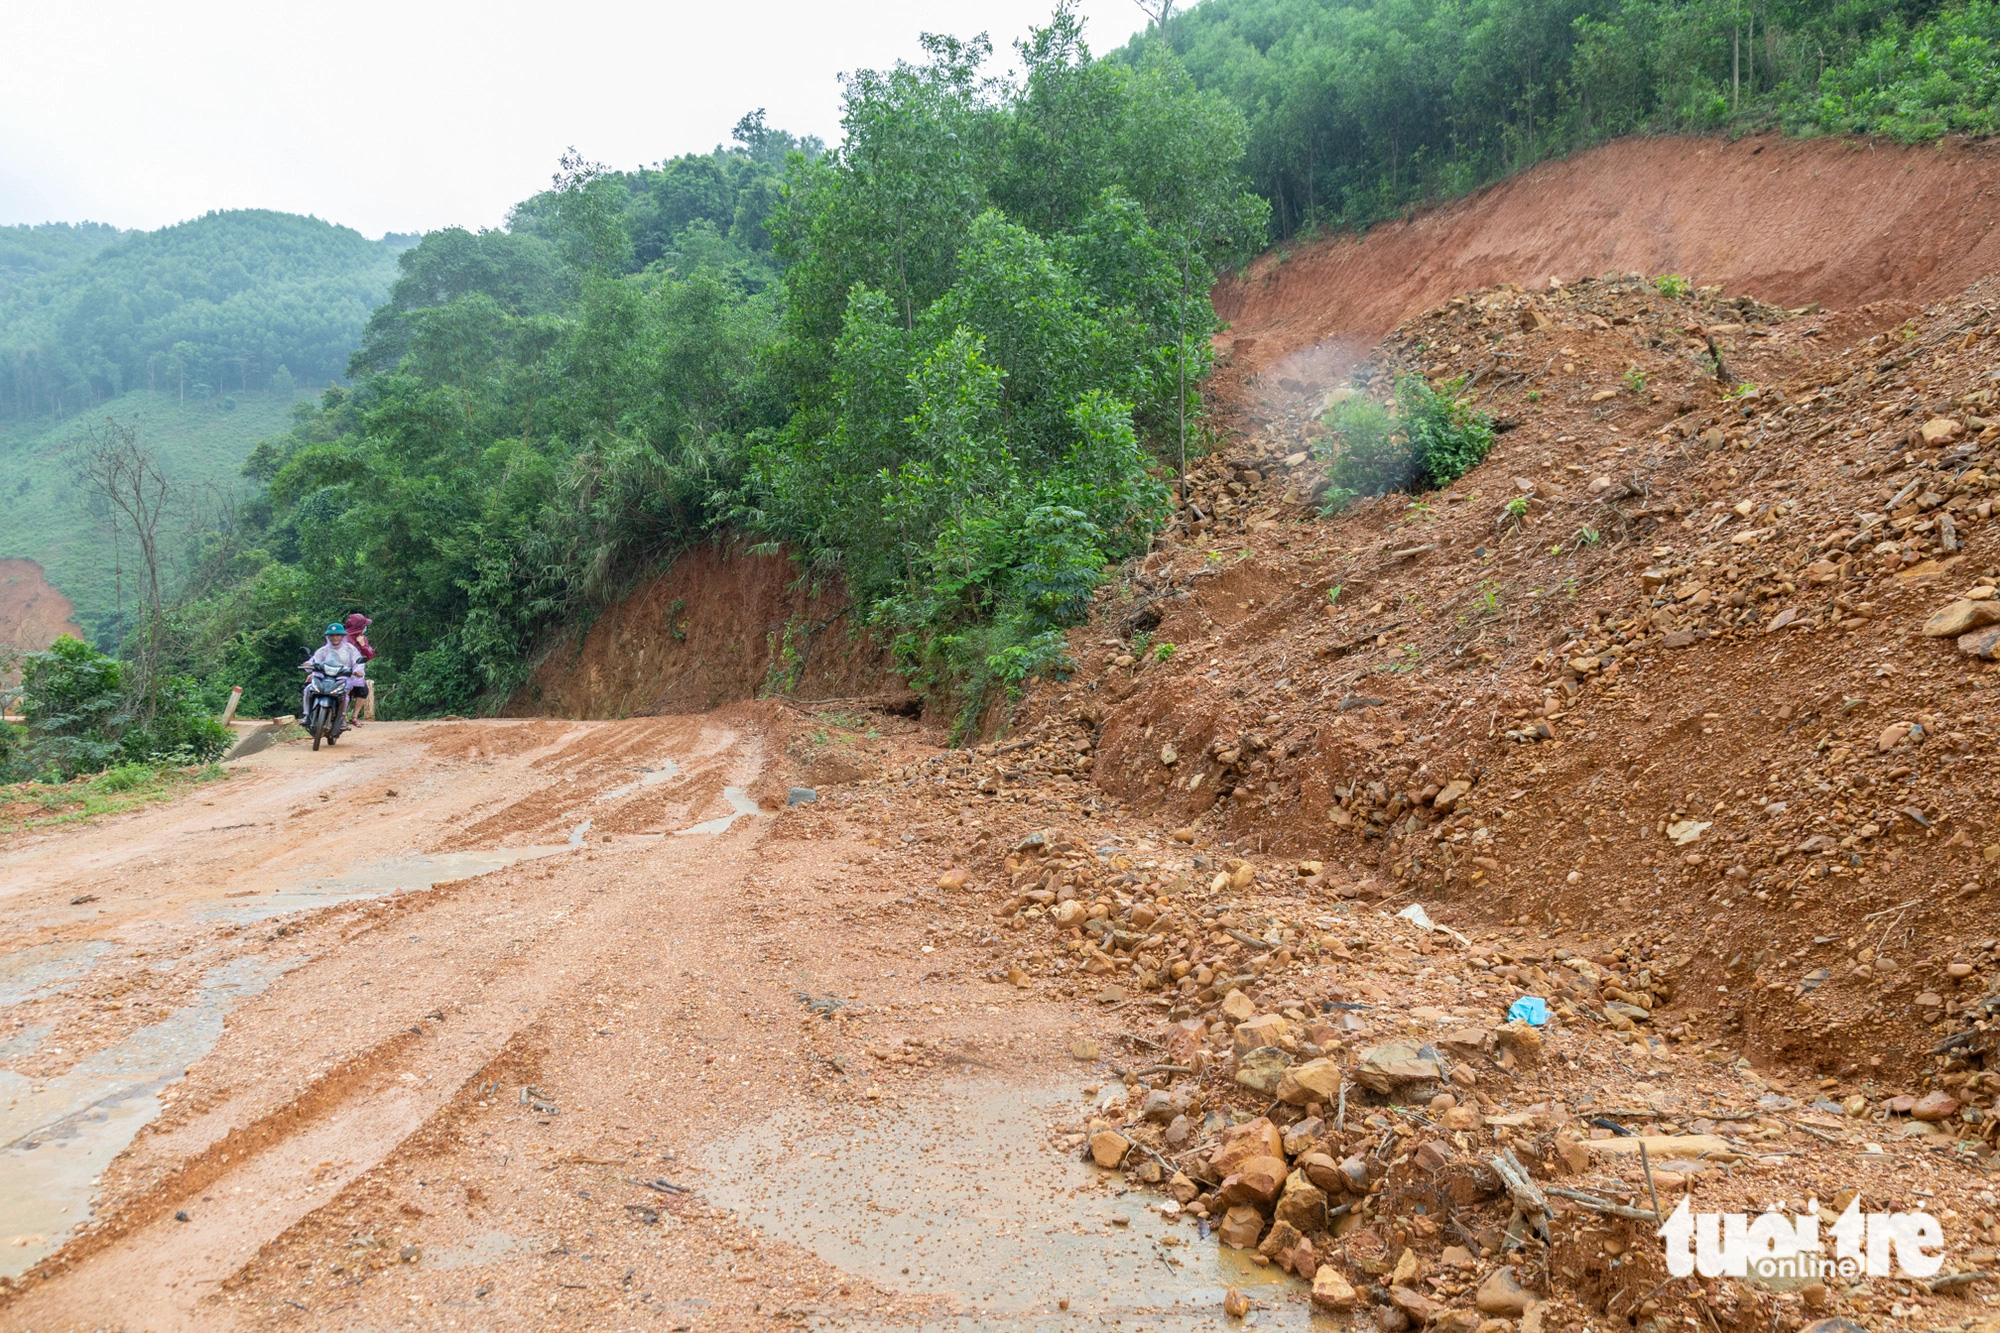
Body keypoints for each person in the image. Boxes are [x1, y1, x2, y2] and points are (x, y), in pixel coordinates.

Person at [301, 623, 361, 733]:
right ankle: (306, 715)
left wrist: (358, 671)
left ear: (342, 636)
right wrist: (307, 664)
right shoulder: (323, 650)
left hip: (342, 678)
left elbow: (358, 662)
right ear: (328, 637)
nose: (335, 638)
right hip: (323, 678)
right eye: (332, 635)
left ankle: (341, 718)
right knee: (308, 689)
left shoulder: (350, 649)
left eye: (337, 635)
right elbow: (314, 660)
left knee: (343, 693)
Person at [343, 612, 377, 724]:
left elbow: (370, 655)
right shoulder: (342, 638)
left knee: (362, 691)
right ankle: (341, 717)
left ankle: (354, 717)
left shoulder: (362, 638)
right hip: (341, 672)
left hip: (356, 673)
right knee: (344, 692)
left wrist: (363, 645)